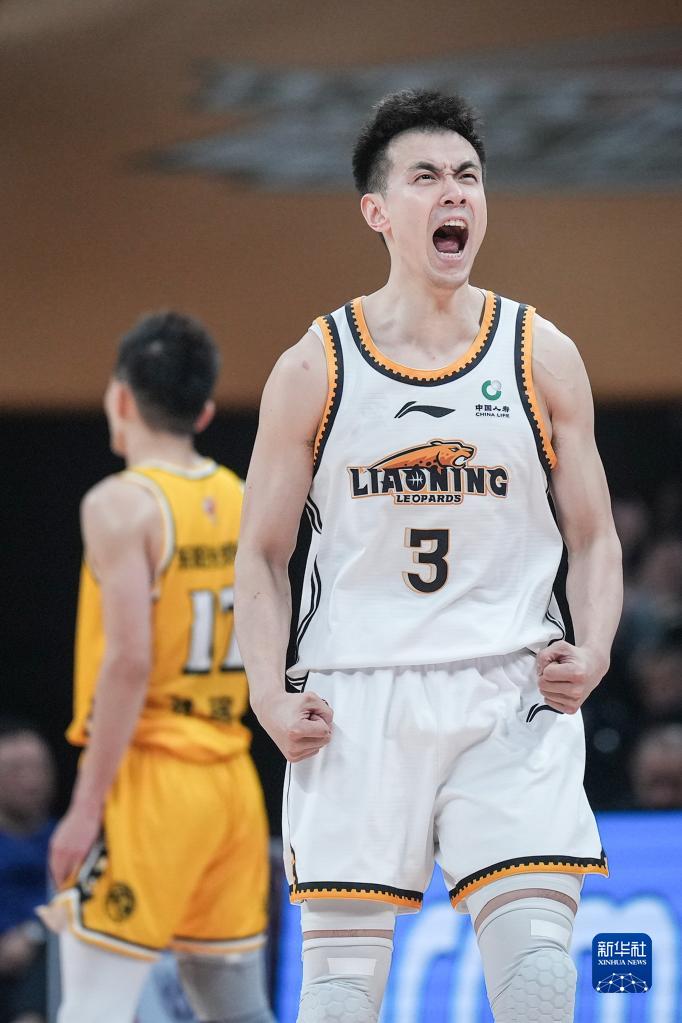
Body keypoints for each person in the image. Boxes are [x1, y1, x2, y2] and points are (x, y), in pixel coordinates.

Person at [234, 90, 623, 1023]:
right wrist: (267, 692)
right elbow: (262, 553)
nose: (454, 193)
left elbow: (595, 535)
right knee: (339, 999)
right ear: (377, 210)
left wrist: (597, 646)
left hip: (508, 690)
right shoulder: (314, 366)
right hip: (357, 696)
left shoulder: (541, 353)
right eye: (427, 177)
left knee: (539, 985)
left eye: (468, 177)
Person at [42, 313, 275, 1023]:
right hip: (231, 780)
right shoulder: (246, 497)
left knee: (92, 1007)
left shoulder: (120, 503)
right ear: (204, 411)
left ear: (120, 397)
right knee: (235, 1008)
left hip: (151, 777)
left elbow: (129, 661)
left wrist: (85, 808)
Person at [0, 721, 56, 1023]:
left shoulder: (68, 842)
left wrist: (34, 933)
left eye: (39, 768)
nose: (31, 781)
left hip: (46, 964)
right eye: (16, 770)